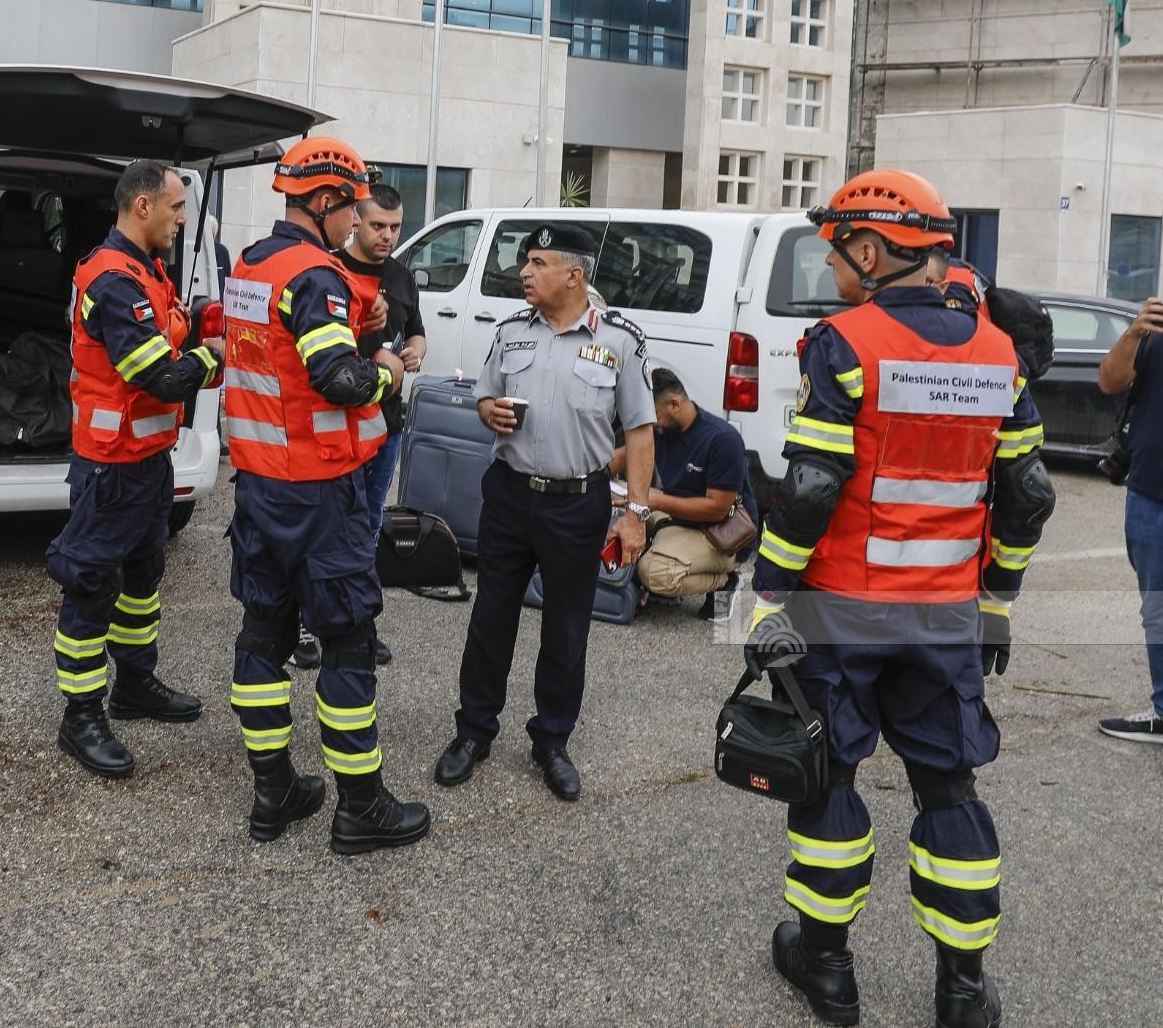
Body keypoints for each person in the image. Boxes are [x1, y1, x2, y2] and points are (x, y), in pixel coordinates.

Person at [744, 171, 1053, 1028]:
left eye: (836, 249)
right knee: (948, 787)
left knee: (831, 776)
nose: (835, 265)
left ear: (871, 252)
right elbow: (1028, 491)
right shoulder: (998, 351)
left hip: (841, 608)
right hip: (946, 614)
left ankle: (828, 968)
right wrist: (999, 598)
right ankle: (961, 988)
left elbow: (809, 488)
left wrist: (769, 596)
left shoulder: (845, 340)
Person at [223, 136, 429, 855]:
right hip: (319, 493)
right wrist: (390, 376)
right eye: (351, 207)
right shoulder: (316, 274)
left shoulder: (251, 264)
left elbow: (268, 359)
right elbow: (335, 379)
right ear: (322, 201)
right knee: (347, 642)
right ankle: (361, 806)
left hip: (259, 489)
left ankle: (272, 791)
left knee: (263, 637)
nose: (357, 220)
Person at [434, 222, 654, 803]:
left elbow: (640, 430)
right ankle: (473, 733)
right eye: (525, 262)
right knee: (490, 621)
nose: (524, 273)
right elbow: (484, 392)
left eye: (537, 262)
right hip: (509, 496)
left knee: (565, 629)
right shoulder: (510, 332)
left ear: (573, 275)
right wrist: (488, 411)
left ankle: (552, 741)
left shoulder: (621, 342)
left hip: (576, 504)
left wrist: (635, 513)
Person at [45, 159, 222, 777]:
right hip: (111, 466)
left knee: (144, 575)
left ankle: (135, 684)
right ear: (142, 206)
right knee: (92, 583)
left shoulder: (147, 271)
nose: (182, 218)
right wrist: (215, 354)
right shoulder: (114, 279)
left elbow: (168, 342)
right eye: (176, 208)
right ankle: (81, 716)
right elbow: (162, 377)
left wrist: (199, 328)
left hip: (147, 461)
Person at [308, 181, 422, 669]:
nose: (387, 236)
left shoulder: (400, 275)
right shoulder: (329, 270)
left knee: (369, 525)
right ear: (356, 218)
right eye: (378, 225)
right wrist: (384, 359)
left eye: (395, 227)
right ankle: (309, 627)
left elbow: (413, 328)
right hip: (338, 425)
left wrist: (416, 348)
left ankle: (359, 623)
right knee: (328, 526)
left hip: (387, 423)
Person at [629, 366, 759, 622]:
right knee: (620, 521)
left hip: (723, 533)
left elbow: (717, 509)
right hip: (682, 519)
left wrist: (654, 500)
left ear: (674, 404)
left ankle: (725, 582)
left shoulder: (722, 440)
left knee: (653, 572)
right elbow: (627, 455)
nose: (651, 421)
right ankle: (669, 558)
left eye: (653, 413)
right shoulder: (665, 430)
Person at [1096, 294, 1163, 743]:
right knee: (1157, 611)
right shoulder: (1153, 336)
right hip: (1150, 493)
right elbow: (1109, 381)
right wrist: (1134, 332)